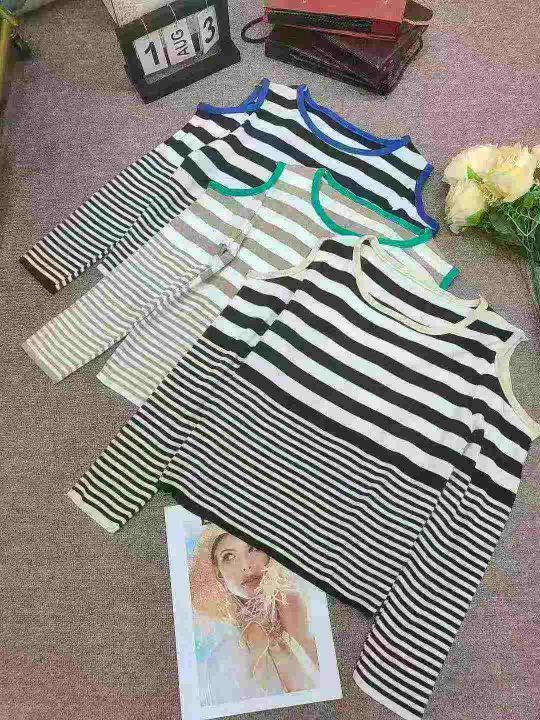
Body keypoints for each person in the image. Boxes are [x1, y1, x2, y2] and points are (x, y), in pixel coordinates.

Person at [188, 523, 320, 705]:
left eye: (254, 548)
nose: (246, 566)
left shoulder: (308, 606)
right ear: (218, 573)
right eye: (229, 556)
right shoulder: (223, 660)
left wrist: (302, 635)